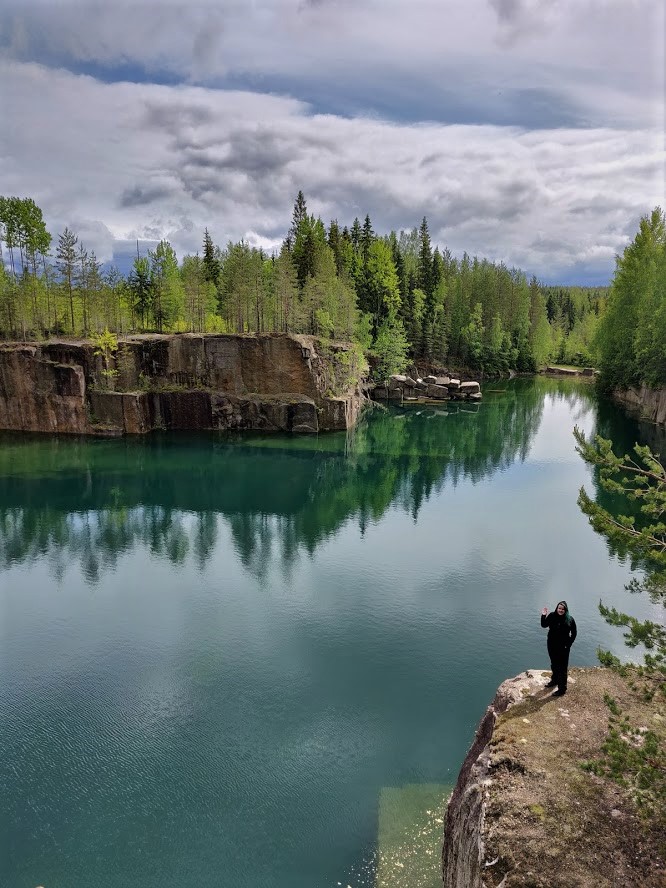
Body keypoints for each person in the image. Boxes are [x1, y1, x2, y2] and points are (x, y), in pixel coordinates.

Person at [540, 600, 577, 696]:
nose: (560, 610)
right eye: (559, 608)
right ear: (557, 608)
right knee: (554, 664)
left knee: (562, 668)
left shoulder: (570, 620)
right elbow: (544, 625)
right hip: (552, 645)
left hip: (564, 647)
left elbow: (574, 633)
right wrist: (544, 615)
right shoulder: (552, 616)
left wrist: (569, 644)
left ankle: (562, 689)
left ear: (565, 610)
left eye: (562, 609)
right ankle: (554, 680)